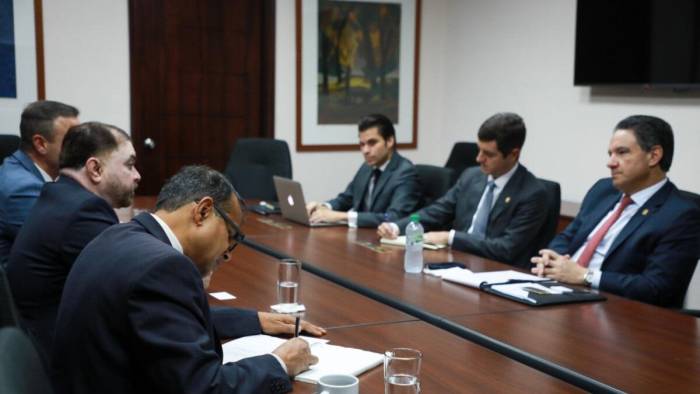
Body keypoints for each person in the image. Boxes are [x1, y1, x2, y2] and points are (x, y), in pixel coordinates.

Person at [52, 165, 324, 394]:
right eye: (232, 237)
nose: (228, 256)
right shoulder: (165, 267)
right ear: (203, 211)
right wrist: (279, 363)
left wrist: (252, 322)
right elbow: (203, 388)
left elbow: (154, 318)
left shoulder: (116, 236)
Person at [531, 115, 700, 307]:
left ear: (654, 156)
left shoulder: (681, 214)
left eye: (622, 152)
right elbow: (568, 236)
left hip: (613, 311)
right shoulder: (603, 190)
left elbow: (658, 287)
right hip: (558, 291)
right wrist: (552, 258)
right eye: (610, 153)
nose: (611, 163)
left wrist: (586, 276)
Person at [6, 122, 141, 361]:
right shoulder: (84, 213)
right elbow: (137, 288)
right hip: (68, 361)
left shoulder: (58, 196)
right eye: (130, 165)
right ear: (95, 169)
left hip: (40, 345)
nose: (137, 175)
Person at [378, 112, 547, 268]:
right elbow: (438, 211)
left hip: (494, 271)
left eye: (488, 154)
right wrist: (396, 227)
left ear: (513, 154)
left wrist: (450, 237)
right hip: (455, 262)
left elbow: (506, 248)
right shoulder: (471, 176)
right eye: (479, 149)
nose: (478, 158)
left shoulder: (532, 193)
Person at [0, 100, 79, 267]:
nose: (81, 147)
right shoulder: (22, 187)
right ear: (41, 144)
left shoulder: (25, 170)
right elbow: (63, 244)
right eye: (72, 140)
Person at [306, 113, 420, 227]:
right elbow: (346, 198)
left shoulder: (405, 172)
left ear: (390, 141)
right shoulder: (367, 167)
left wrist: (342, 216)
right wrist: (323, 207)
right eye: (362, 144)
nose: (365, 150)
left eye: (372, 143)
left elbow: (394, 217)